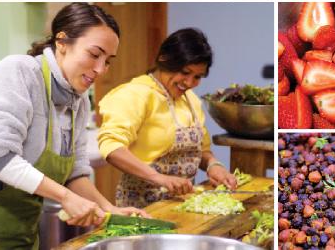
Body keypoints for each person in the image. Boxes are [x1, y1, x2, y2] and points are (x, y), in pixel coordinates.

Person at [0, 3, 147, 249]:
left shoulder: (79, 102)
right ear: (62, 42)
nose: (100, 69)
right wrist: (65, 197)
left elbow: (75, 173)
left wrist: (110, 210)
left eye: (108, 61)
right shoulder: (19, 72)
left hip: (24, 236)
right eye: (94, 54)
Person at [97, 28, 237, 209]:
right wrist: (159, 178)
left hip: (181, 205)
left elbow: (201, 150)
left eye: (197, 77)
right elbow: (111, 148)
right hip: (142, 206)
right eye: (185, 72)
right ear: (164, 59)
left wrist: (213, 165)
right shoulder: (135, 94)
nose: (189, 83)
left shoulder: (191, 100)